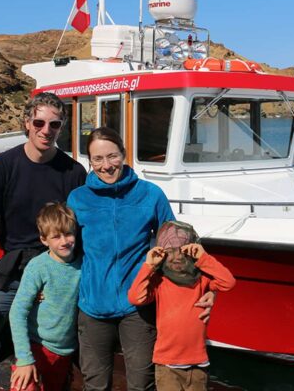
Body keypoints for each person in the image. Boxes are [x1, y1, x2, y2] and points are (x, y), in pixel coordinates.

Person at [0, 92, 87, 391]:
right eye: (39, 122)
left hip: (56, 273)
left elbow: (83, 234)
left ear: (61, 128)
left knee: (68, 347)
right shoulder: (2, 166)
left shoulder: (74, 172)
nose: (46, 130)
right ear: (27, 122)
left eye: (55, 124)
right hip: (13, 274)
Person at [66, 127, 214, 391]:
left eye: (112, 156)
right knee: (95, 385)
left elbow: (179, 248)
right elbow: (65, 251)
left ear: (124, 154)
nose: (106, 165)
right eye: (97, 159)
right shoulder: (78, 199)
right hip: (92, 308)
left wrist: (207, 287)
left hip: (138, 307)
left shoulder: (150, 194)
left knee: (141, 384)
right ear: (90, 161)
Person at [128, 221, 236, 391]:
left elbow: (228, 282)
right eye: (169, 252)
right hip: (167, 366)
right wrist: (149, 265)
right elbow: (135, 297)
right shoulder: (159, 281)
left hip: (198, 366)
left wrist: (203, 258)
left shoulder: (202, 279)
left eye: (182, 251)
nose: (177, 257)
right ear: (161, 253)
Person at [8, 202, 81, 391]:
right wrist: (24, 358)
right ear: (43, 239)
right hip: (36, 347)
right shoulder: (38, 266)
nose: (64, 241)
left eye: (68, 233)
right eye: (56, 236)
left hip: (65, 352)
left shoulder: (83, 265)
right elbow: (17, 312)